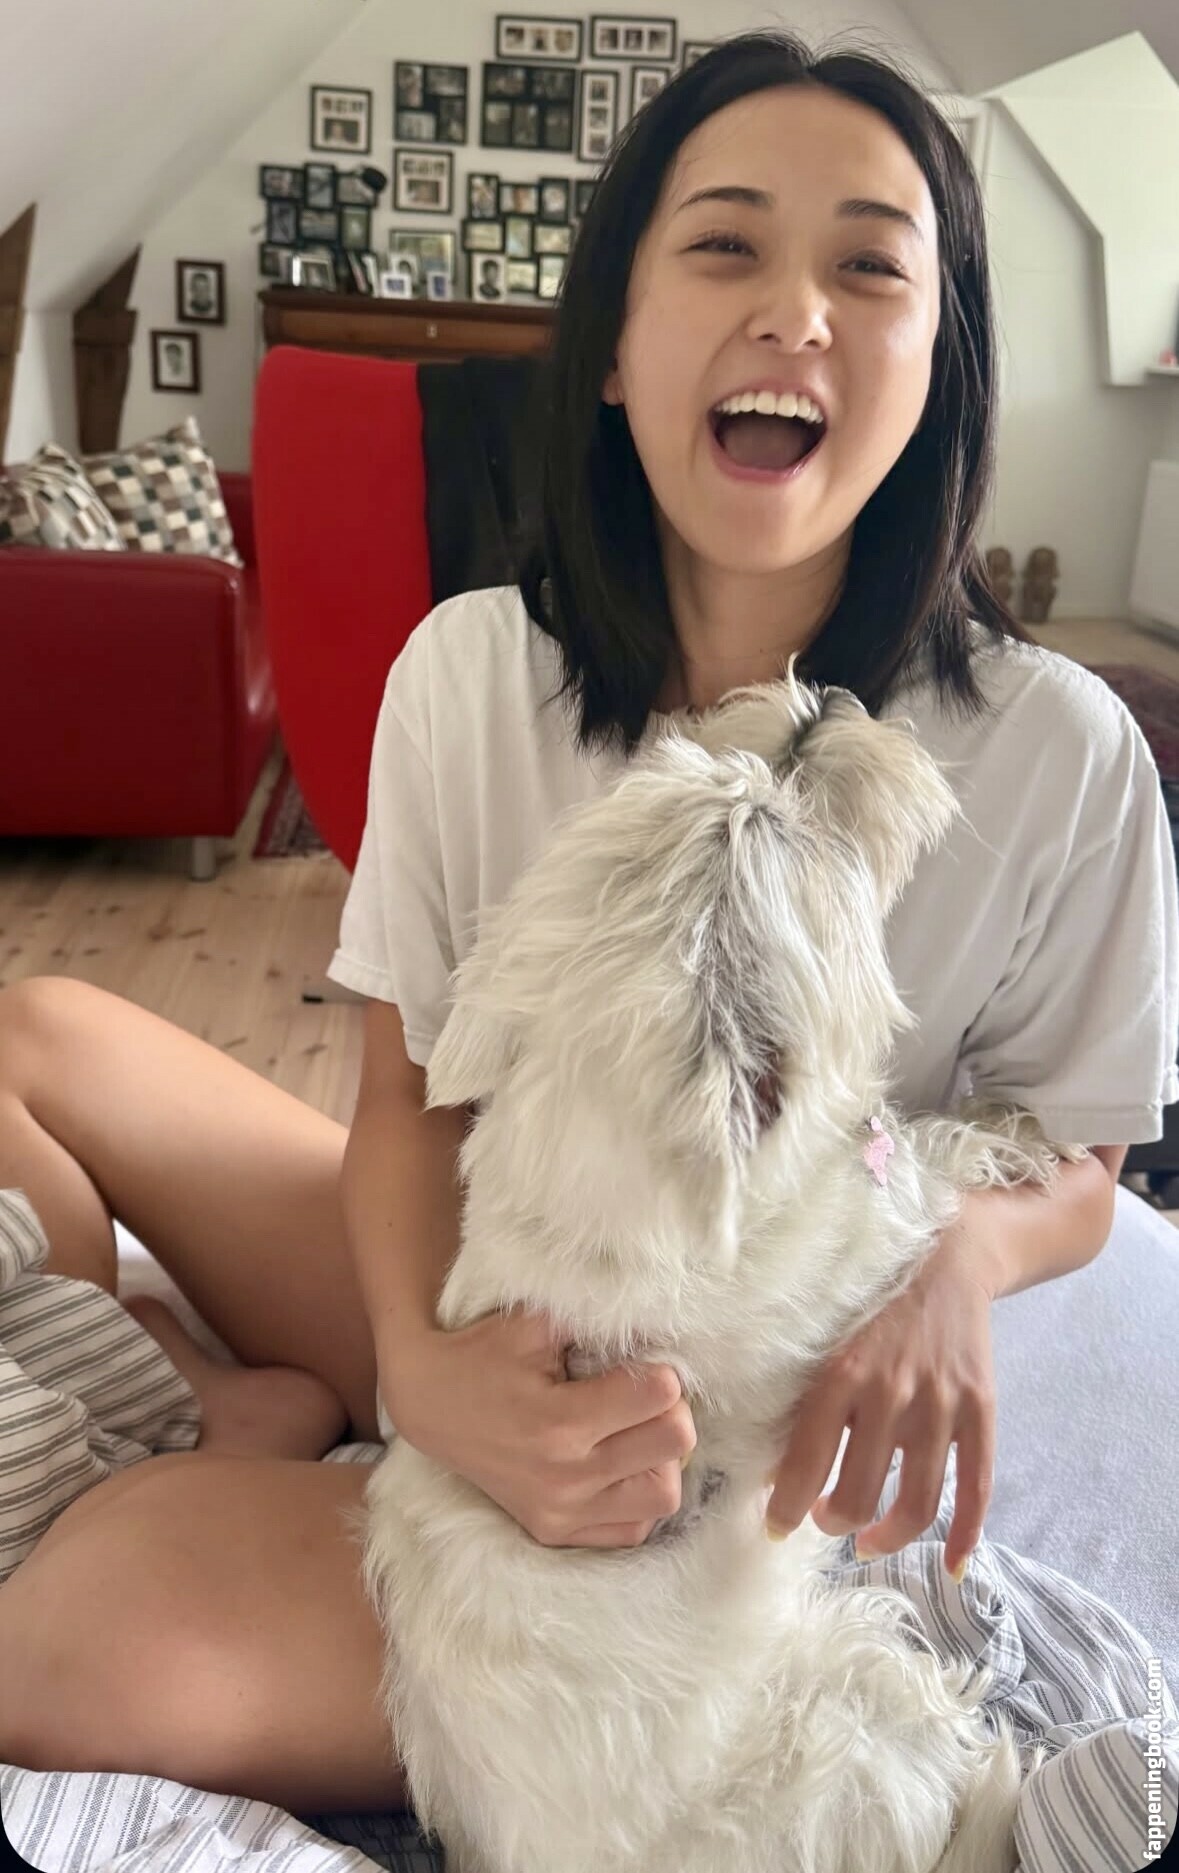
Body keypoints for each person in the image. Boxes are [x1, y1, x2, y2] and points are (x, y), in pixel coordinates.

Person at [0, 28, 1174, 1820]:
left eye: (870, 267)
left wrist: (959, 1267)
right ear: (615, 351)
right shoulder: (471, 671)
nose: (795, 309)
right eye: (726, 244)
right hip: (487, 1273)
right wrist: (420, 1372)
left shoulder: (1061, 753)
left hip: (714, 1463)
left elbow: (1081, 1163)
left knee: (58, 1639)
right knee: (37, 1035)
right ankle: (213, 1395)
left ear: (940, 364)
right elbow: (405, 1098)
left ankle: (263, 1436)